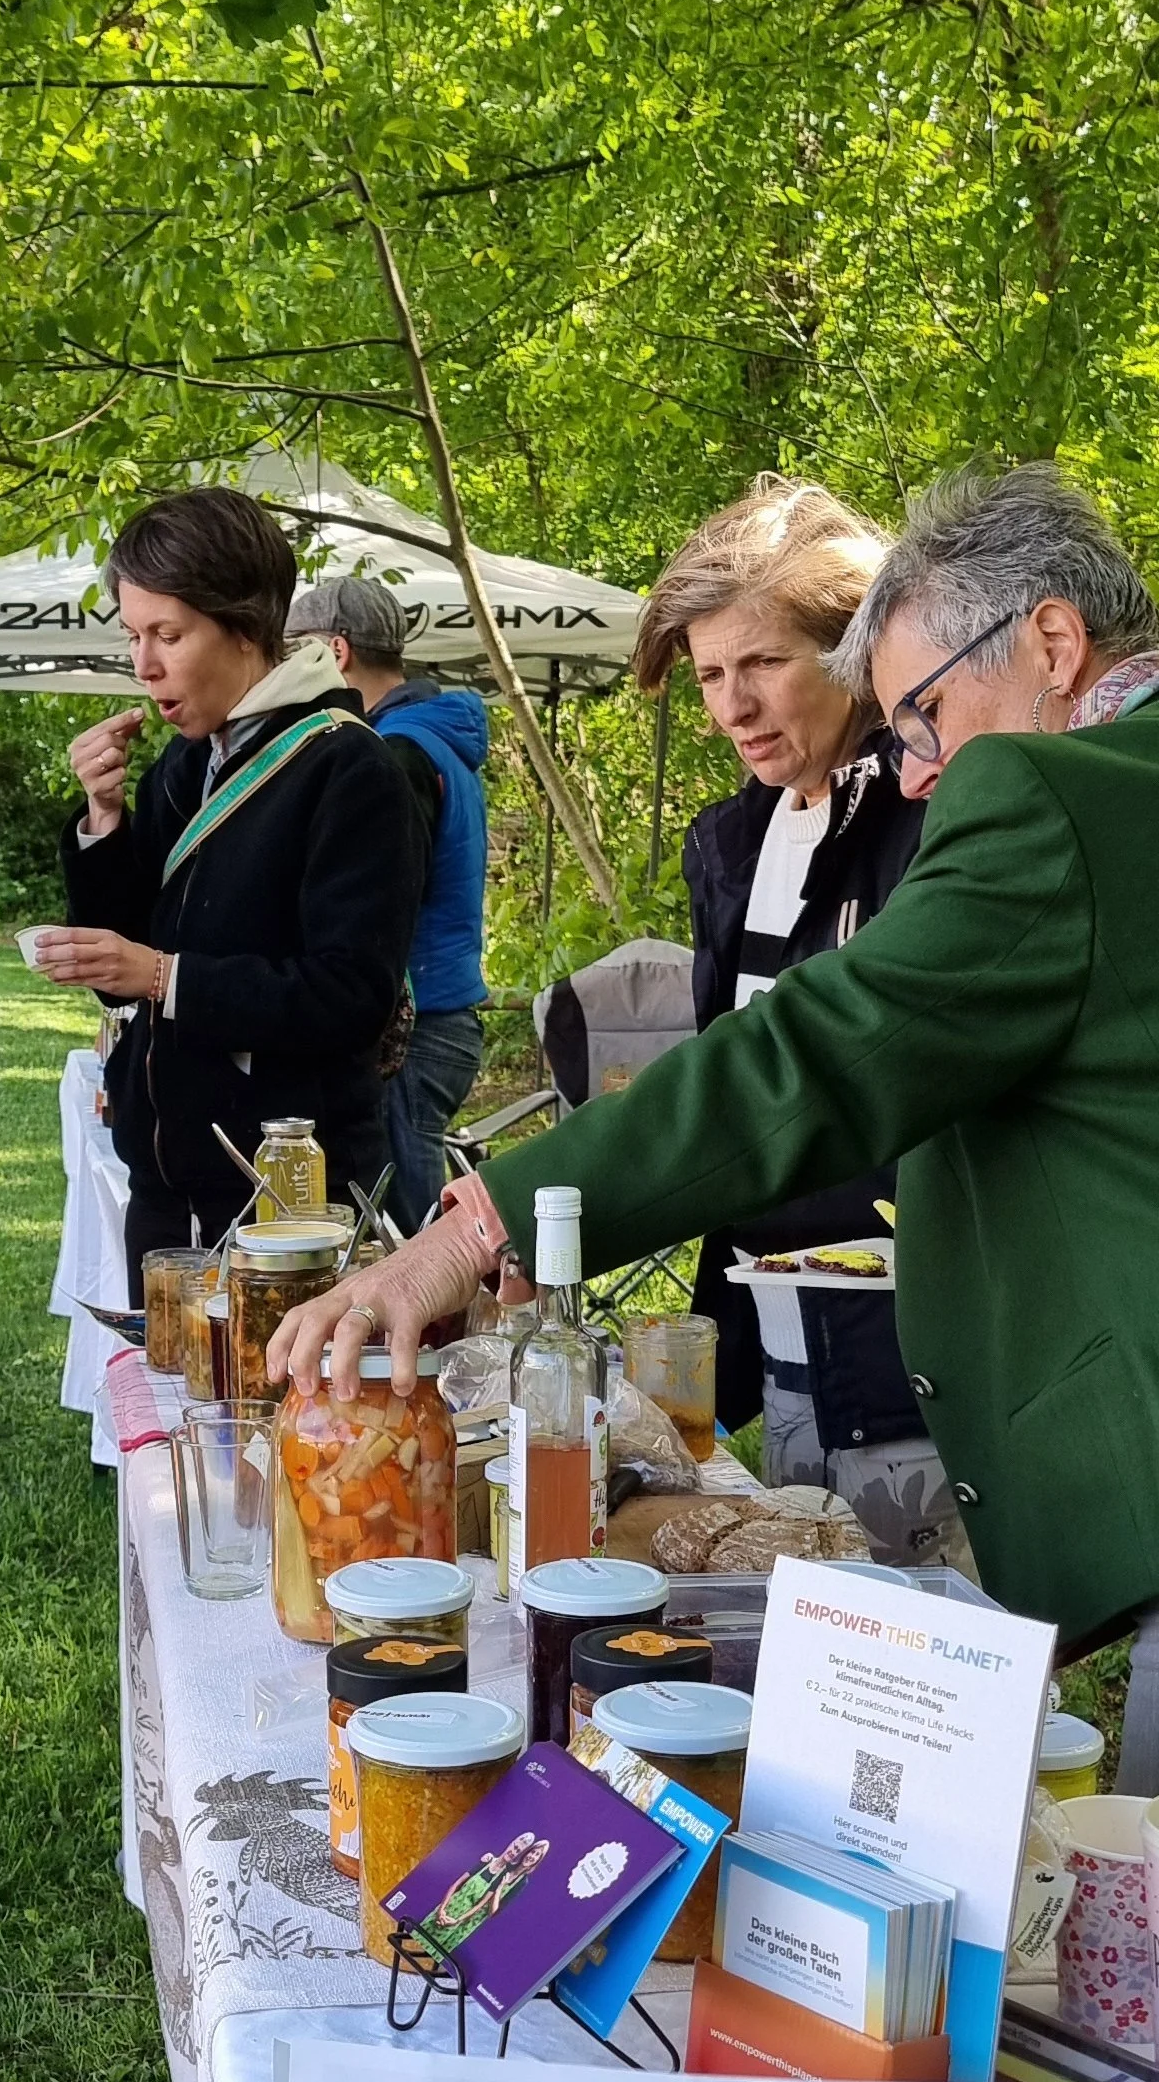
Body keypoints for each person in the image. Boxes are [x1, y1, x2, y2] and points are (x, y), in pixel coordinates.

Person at [271, 466, 1159, 1658]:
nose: (916, 771)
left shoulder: (1049, 794)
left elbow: (814, 1055)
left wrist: (485, 1224)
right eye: (708, 677)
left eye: (926, 719)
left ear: (1052, 642)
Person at [635, 478, 958, 1564]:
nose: (735, 706)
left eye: (764, 662)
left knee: (914, 1663)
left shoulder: (935, 819)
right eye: (713, 674)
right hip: (776, 1347)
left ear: (852, 649)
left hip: (917, 1351)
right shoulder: (727, 842)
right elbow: (736, 1090)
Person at [38, 486, 419, 1277]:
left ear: (244, 623)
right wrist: (102, 817)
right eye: (134, 636)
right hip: (169, 1180)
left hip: (287, 1197)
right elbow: (123, 983)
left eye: (167, 635)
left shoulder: (349, 769)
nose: (144, 666)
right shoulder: (184, 764)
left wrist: (167, 977)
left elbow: (351, 996)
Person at [283, 570, 490, 1228]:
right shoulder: (430, 740)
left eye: (292, 652)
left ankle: (443, 1333)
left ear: (334, 652)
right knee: (400, 1220)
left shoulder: (394, 755)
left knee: (403, 1234)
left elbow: (385, 902)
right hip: (441, 1015)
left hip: (417, 1026)